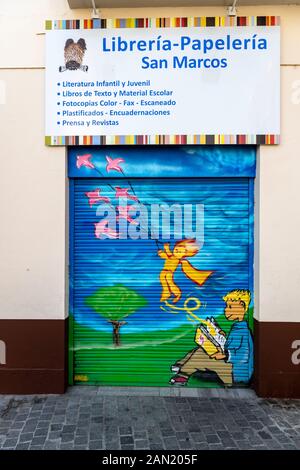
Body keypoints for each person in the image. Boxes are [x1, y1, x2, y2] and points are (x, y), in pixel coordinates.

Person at [170, 289, 254, 386]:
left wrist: (225, 355)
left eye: (230, 306)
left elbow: (243, 355)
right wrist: (220, 335)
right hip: (230, 365)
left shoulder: (243, 331)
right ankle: (181, 364)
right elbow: (233, 345)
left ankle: (183, 375)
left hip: (236, 372)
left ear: (242, 307)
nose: (226, 309)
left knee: (200, 356)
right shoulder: (237, 327)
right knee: (200, 349)